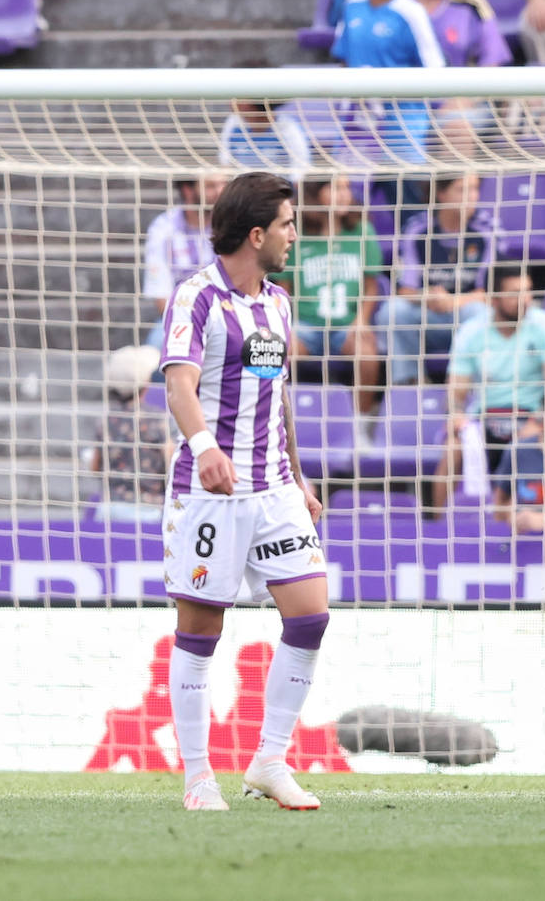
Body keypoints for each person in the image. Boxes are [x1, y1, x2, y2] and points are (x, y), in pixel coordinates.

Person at [159, 171, 328, 812]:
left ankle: (269, 760)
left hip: (275, 486)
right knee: (201, 631)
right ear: (256, 234)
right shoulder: (197, 298)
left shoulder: (278, 303)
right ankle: (200, 778)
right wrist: (205, 448)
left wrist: (300, 475)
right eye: (287, 224)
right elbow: (179, 382)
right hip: (210, 495)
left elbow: (277, 394)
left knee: (310, 616)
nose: (294, 234)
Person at [437, 263, 545, 526]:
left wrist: (536, 424)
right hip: (485, 420)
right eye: (515, 293)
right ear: (492, 298)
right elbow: (455, 394)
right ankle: (438, 526)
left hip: (533, 418)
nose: (525, 300)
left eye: (528, 292)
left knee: (542, 443)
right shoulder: (471, 333)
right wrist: (457, 416)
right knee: (453, 447)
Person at [275, 176, 384, 427]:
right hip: (306, 325)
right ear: (316, 193)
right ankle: (278, 422)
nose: (344, 194)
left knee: (367, 355)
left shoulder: (361, 230)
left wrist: (361, 320)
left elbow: (371, 284)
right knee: (277, 355)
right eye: (336, 188)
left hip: (346, 325)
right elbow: (284, 287)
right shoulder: (295, 234)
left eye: (347, 187)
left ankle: (362, 425)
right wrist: (286, 325)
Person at [333, 0, 446, 158]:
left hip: (402, 127)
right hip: (358, 126)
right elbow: (344, 60)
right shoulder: (351, 6)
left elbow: (435, 70)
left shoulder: (410, 12)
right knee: (350, 192)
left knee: (404, 191)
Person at [376, 173, 492, 386]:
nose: (471, 196)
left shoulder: (487, 230)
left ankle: (468, 386)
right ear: (441, 193)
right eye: (462, 190)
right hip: (426, 314)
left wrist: (454, 301)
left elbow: (494, 292)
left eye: (475, 189)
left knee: (481, 313)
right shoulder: (417, 229)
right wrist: (426, 296)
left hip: (465, 313)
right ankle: (408, 384)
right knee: (392, 312)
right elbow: (403, 289)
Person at [142, 174, 227, 352]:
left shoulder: (231, 224)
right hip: (179, 317)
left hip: (228, 313)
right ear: (188, 191)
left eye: (223, 184)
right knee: (153, 353)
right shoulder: (163, 228)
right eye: (211, 186)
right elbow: (161, 295)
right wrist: (191, 327)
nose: (221, 191)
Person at [90, 345, 171, 524]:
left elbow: (95, 466)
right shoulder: (157, 419)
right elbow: (168, 465)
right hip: (150, 509)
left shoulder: (106, 419)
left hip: (110, 507)